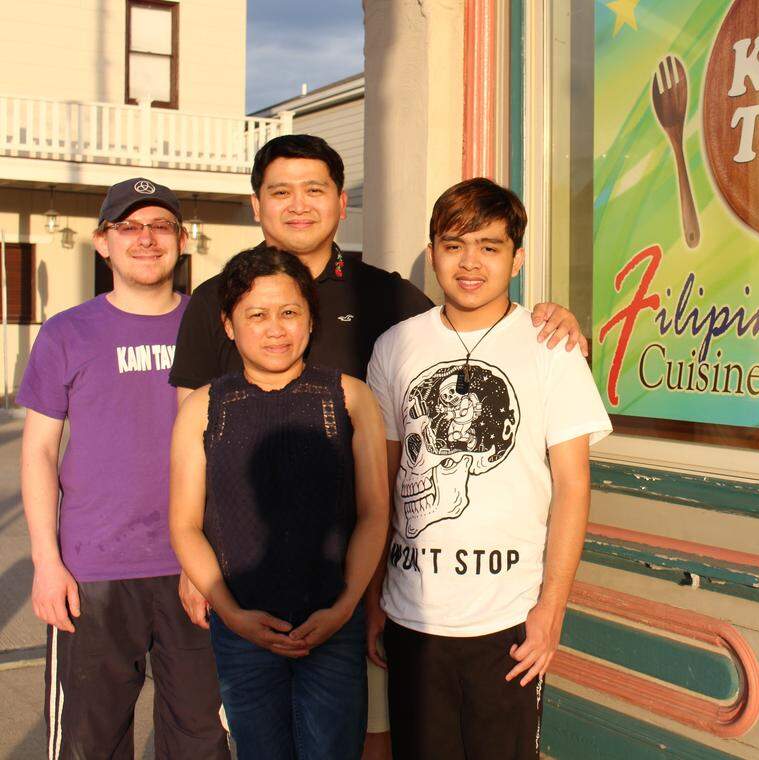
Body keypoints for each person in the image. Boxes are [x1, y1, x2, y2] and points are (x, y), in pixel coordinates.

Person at [166, 135, 585, 757]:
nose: (299, 205)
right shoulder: (215, 297)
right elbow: (195, 446)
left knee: (369, 735)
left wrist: (554, 319)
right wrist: (200, 572)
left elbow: (477, 319)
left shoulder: (384, 298)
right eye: (281, 192)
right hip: (269, 587)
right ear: (257, 205)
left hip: (361, 582)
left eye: (315, 190)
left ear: (341, 201)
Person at [366, 178, 611, 759]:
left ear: (517, 258)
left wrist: (550, 611)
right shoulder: (395, 346)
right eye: (453, 245)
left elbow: (573, 488)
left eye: (489, 245)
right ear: (433, 254)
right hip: (412, 615)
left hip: (508, 621)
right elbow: (384, 484)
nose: (469, 262)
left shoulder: (551, 345)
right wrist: (375, 597)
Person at [18, 178, 229, 759]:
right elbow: (38, 449)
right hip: (93, 573)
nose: (145, 239)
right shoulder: (67, 331)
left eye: (160, 225)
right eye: (128, 227)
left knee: (203, 742)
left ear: (182, 241)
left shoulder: (213, 329)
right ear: (101, 242)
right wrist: (45, 562)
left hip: (195, 569)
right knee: (91, 744)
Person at [169, 247, 389, 759]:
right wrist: (231, 613)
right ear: (229, 325)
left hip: (332, 625)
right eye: (257, 315)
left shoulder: (350, 397)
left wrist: (343, 607)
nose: (275, 329)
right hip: (243, 629)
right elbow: (183, 525)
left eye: (289, 312)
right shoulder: (203, 406)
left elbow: (375, 511)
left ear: (311, 320)